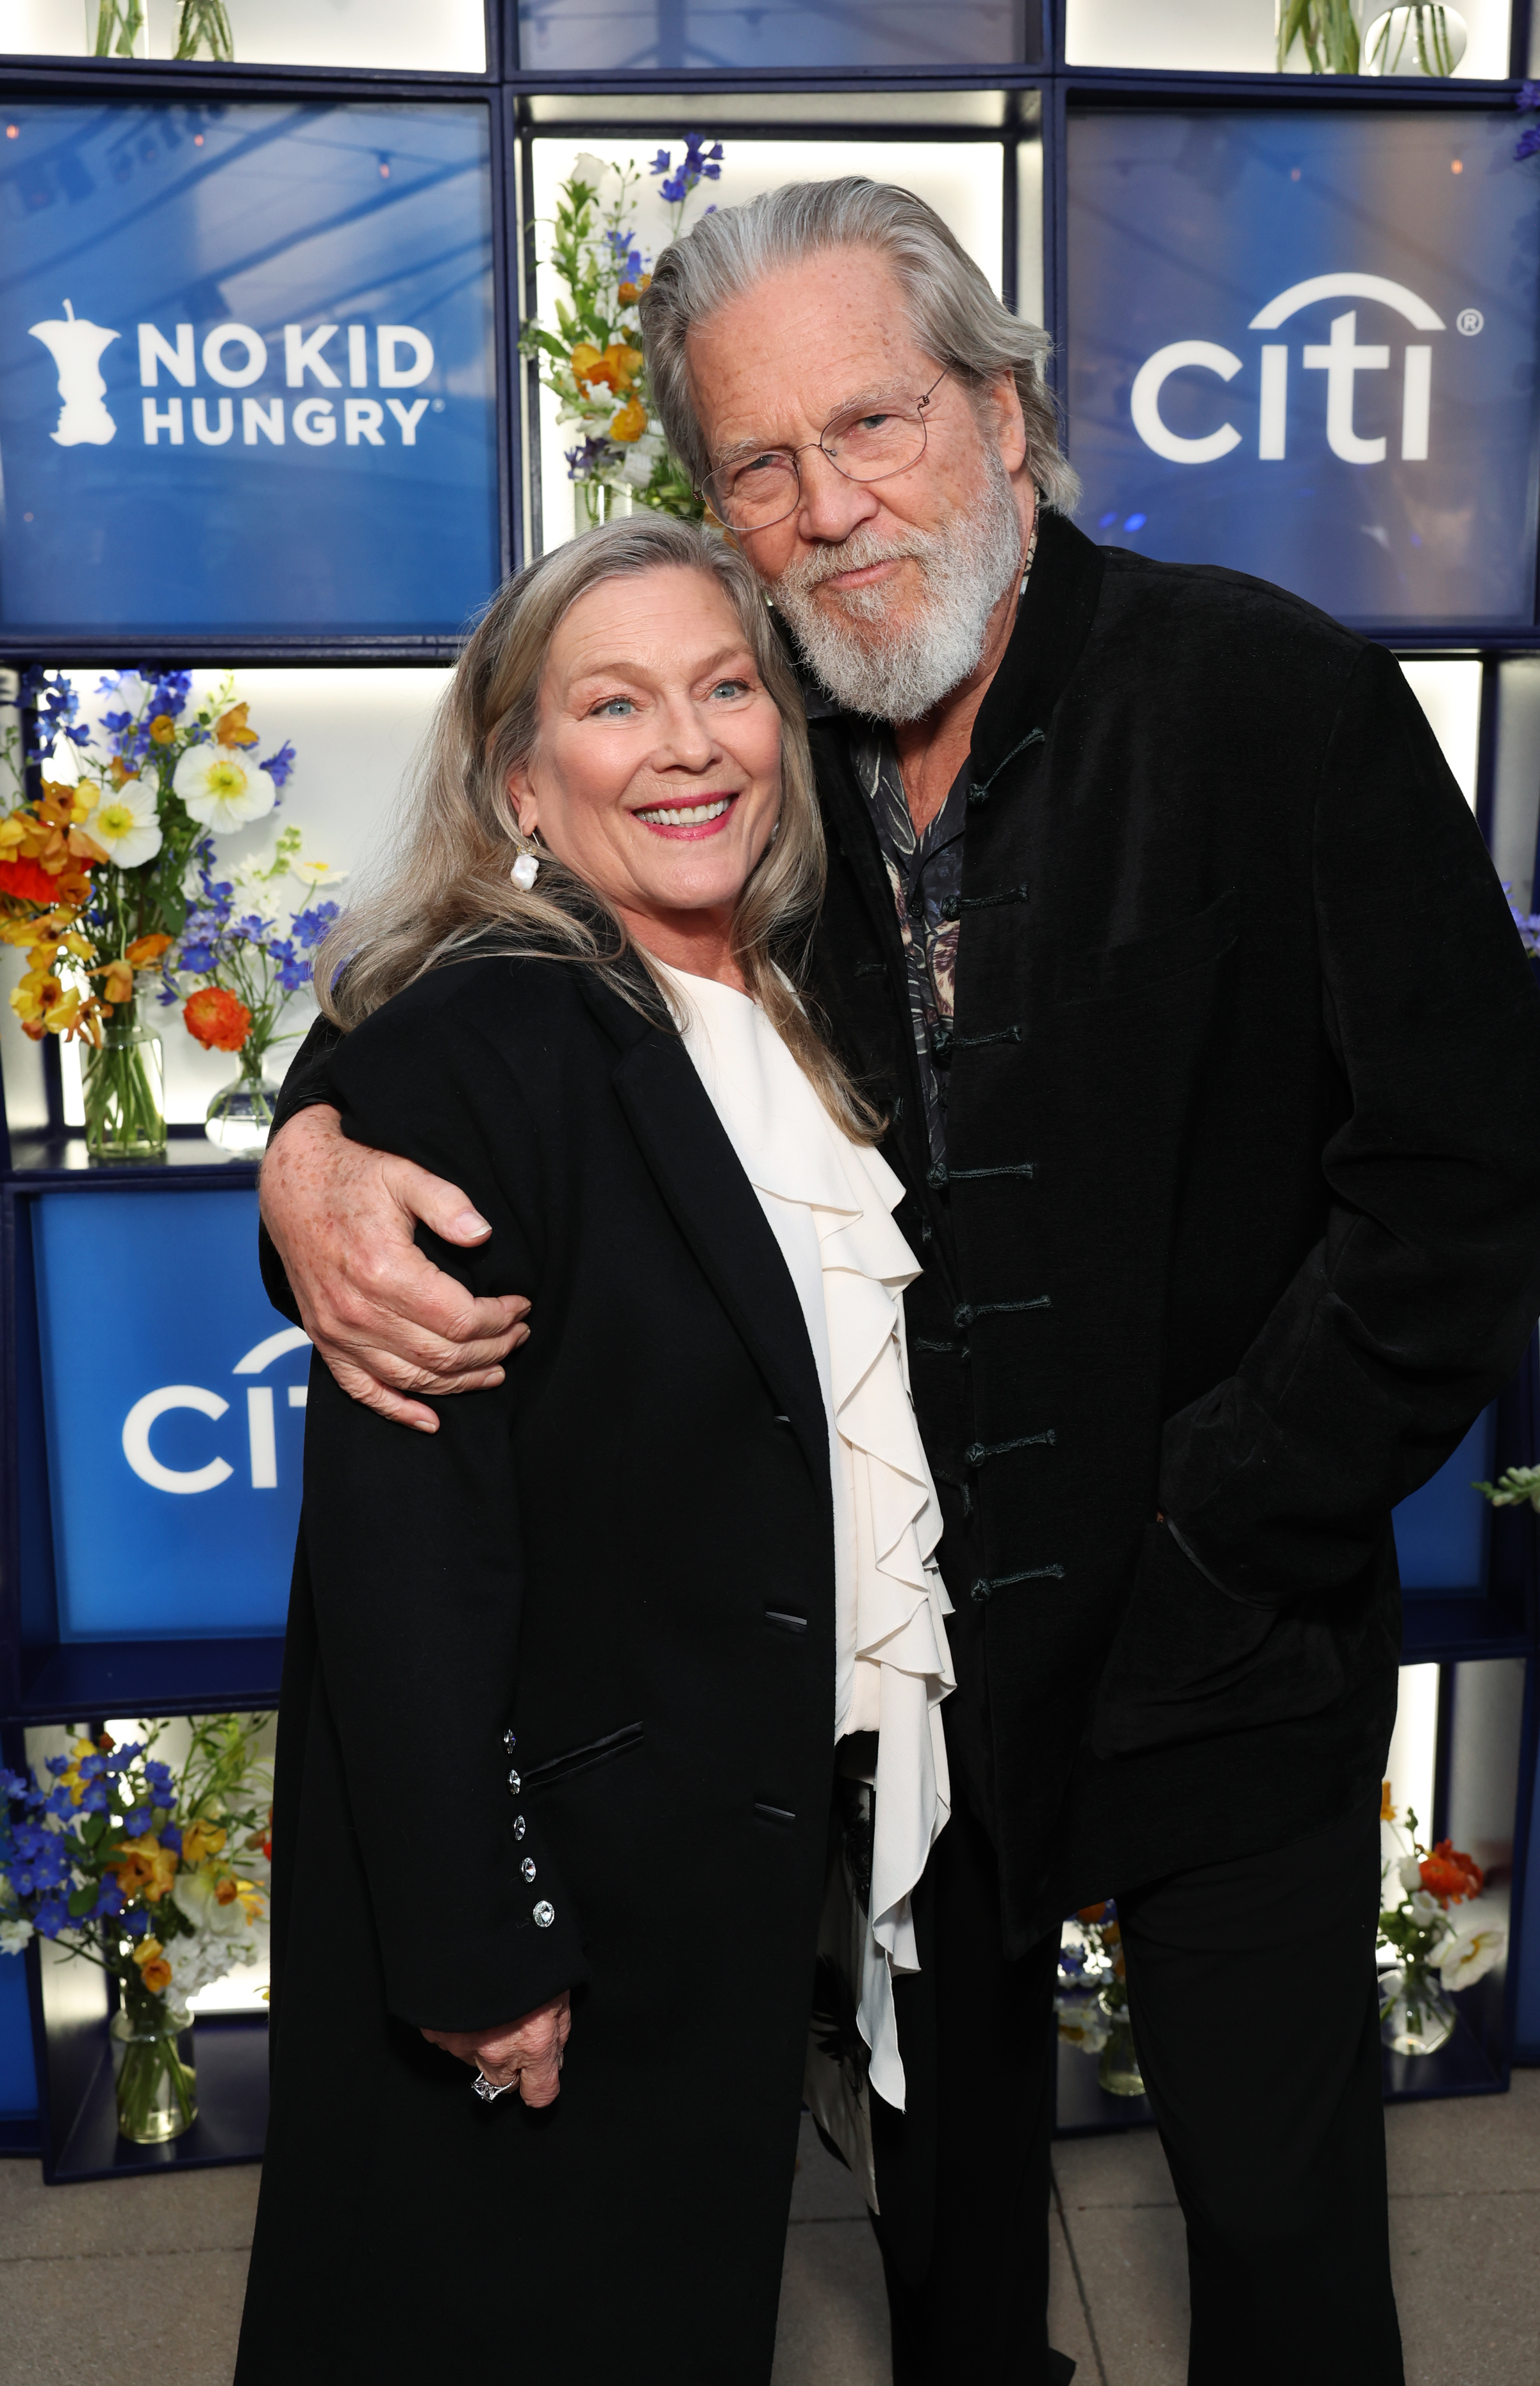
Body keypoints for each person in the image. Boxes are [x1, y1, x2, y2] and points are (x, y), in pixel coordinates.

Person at [256, 181, 1540, 2385]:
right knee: (949, 2251)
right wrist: (304, 1148)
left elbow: (1460, 1180)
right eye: (757, 466)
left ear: (1003, 414)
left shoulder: (1274, 701)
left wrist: (1216, 1530)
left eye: (870, 425)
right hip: (904, 1702)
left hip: (1223, 1646)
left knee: (1279, 2238)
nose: (827, 508)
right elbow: (485, 928)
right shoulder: (740, 727)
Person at [234, 515, 956, 2382]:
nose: (690, 742)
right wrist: (484, 1944)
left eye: (727, 687)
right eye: (616, 703)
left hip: (715, 1864)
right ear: (520, 777)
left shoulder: (781, 1008)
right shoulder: (479, 1044)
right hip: (576, 1886)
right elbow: (407, 1558)